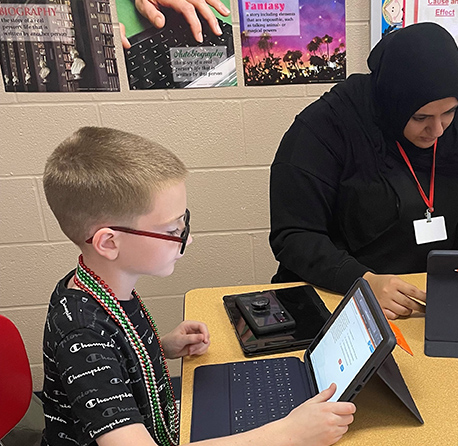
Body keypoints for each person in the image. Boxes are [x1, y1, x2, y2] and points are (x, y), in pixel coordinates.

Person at [41, 127, 355, 446]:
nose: (187, 238)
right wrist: (288, 434)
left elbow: (111, 360)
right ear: (109, 242)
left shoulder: (92, 285)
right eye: (172, 229)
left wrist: (160, 347)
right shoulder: (80, 335)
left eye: (183, 223)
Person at [269, 23, 458, 319]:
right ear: (393, 101)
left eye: (449, 112)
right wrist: (361, 281)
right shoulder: (326, 127)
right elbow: (294, 235)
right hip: (339, 295)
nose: (437, 130)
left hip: (426, 301)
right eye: (420, 117)